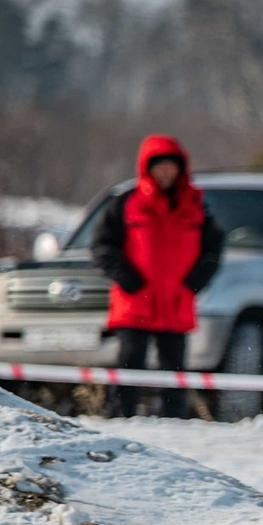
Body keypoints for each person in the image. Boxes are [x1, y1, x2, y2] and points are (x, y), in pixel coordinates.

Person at [91, 135, 223, 420]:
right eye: (159, 167)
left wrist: (193, 284)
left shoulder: (197, 205)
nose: (165, 173)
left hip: (176, 301)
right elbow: (102, 247)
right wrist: (129, 280)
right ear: (147, 168)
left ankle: (173, 421)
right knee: (129, 362)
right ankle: (119, 418)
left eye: (170, 167)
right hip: (135, 301)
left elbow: (213, 250)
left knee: (174, 370)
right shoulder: (126, 202)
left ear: (180, 169)